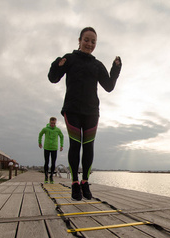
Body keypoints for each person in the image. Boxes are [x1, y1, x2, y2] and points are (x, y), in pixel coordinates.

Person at [48, 27, 122, 200]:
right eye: (86, 40)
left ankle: (85, 182)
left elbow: (109, 86)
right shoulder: (70, 58)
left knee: (88, 146)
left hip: (91, 112)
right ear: (79, 40)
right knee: (75, 145)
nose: (89, 44)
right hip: (72, 109)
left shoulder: (97, 65)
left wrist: (116, 69)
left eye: (93, 41)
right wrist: (57, 63)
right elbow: (53, 78)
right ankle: (74, 183)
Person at [38, 117, 64, 183]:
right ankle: (46, 177)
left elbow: (62, 136)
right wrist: (40, 142)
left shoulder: (57, 130)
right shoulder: (45, 129)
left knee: (53, 163)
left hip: (54, 148)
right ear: (49, 122)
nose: (52, 125)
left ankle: (51, 177)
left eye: (54, 123)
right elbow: (40, 134)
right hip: (46, 148)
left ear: (56, 123)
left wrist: (61, 145)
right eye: (51, 123)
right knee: (46, 162)